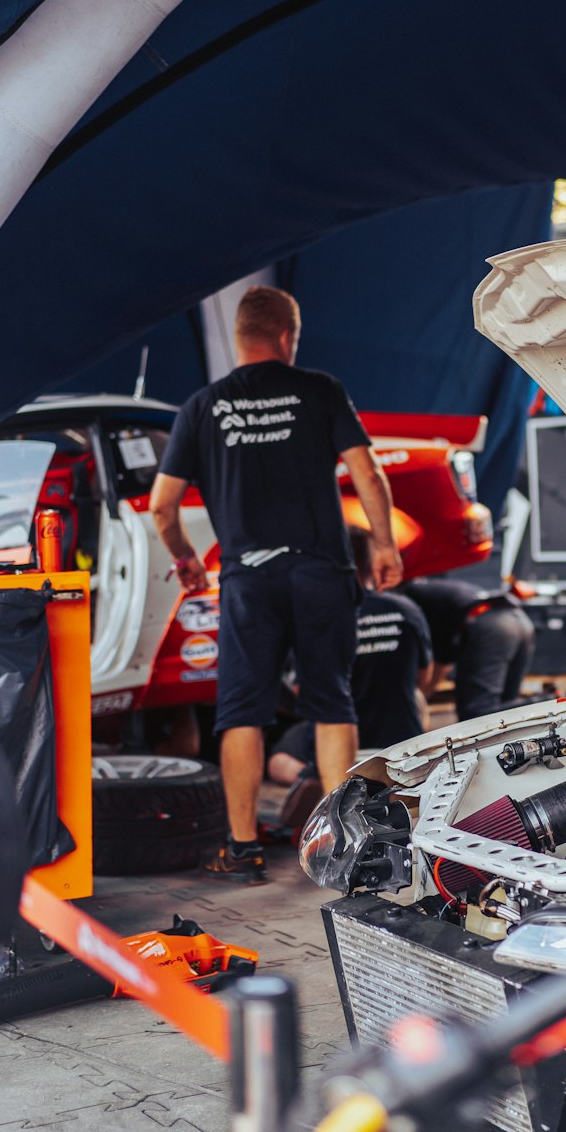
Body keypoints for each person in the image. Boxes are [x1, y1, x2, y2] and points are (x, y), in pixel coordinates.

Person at [149, 285, 402, 883]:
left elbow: (163, 506)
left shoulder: (202, 406)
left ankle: (242, 851)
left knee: (242, 713)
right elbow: (366, 470)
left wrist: (186, 558)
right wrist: (385, 544)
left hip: (248, 579)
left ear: (240, 338)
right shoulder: (318, 390)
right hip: (320, 571)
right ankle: (346, 844)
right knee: (330, 701)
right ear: (287, 337)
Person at [268, 529, 434, 823]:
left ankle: (319, 776)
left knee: (277, 760)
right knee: (417, 697)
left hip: (339, 738)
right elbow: (425, 676)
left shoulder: (318, 617)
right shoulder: (405, 610)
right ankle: (404, 772)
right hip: (398, 741)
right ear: (371, 564)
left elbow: (302, 692)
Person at [403, 576, 535, 721]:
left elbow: (440, 666)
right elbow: (443, 665)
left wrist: (418, 697)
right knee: (507, 707)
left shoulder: (406, 599)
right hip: (520, 621)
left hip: (492, 624)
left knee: (475, 713)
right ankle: (541, 702)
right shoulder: (430, 593)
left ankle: (544, 701)